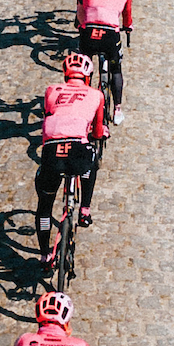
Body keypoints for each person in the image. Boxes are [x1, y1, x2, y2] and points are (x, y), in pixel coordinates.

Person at [36, 52, 108, 250]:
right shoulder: (96, 95)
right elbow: (98, 131)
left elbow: (48, 118)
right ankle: (85, 210)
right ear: (88, 77)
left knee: (44, 206)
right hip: (77, 149)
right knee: (89, 164)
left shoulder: (51, 90)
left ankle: (44, 256)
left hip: (52, 150)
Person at [76, 0, 134, 122]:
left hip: (89, 32)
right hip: (110, 34)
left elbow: (80, 10)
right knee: (116, 69)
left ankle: (82, 101)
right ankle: (117, 109)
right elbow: (127, 17)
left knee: (83, 68)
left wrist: (83, 26)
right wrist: (128, 28)